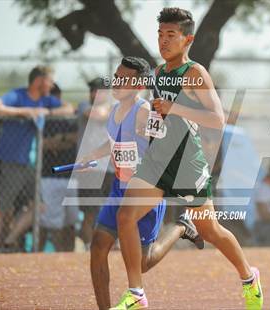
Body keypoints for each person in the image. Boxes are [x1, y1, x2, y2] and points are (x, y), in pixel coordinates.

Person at [111, 8, 262, 310]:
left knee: (211, 230)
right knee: (125, 217)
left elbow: (217, 119)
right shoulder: (157, 73)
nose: (163, 41)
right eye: (160, 35)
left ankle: (249, 278)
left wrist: (173, 108)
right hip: (157, 161)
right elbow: (157, 113)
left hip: (186, 164)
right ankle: (136, 294)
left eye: (171, 35)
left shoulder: (195, 73)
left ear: (187, 39)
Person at [78, 57, 204, 310]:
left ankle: (181, 226)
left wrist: (155, 126)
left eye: (124, 78)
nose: (116, 81)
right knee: (99, 246)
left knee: (143, 264)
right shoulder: (114, 111)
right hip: (119, 188)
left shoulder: (144, 109)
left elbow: (162, 139)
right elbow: (115, 143)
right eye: (116, 75)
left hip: (144, 191)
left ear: (137, 85)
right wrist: (92, 155)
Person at [0, 66, 74, 250]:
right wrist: (25, 112)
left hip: (31, 163)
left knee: (39, 206)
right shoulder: (18, 95)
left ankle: (9, 240)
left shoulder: (45, 100)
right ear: (39, 80)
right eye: (49, 80)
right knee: (2, 209)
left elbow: (68, 108)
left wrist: (46, 113)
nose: (50, 85)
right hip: (12, 161)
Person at [76, 78, 115, 249]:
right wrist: (114, 109)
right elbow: (98, 115)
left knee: (113, 211)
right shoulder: (84, 106)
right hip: (89, 169)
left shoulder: (115, 108)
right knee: (90, 213)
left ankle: (110, 246)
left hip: (110, 168)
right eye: (92, 90)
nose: (94, 94)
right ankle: (88, 247)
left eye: (98, 90)